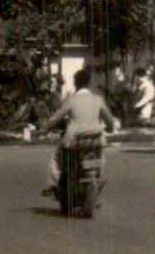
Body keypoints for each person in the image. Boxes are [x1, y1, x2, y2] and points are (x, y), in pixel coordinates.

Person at [41, 69, 116, 197]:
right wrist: (110, 128)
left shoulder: (72, 100)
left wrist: (44, 129)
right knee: (100, 156)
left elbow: (56, 118)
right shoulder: (97, 100)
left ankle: (55, 184)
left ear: (75, 84)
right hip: (95, 138)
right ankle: (96, 177)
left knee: (55, 157)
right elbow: (109, 119)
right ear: (89, 83)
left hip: (75, 140)